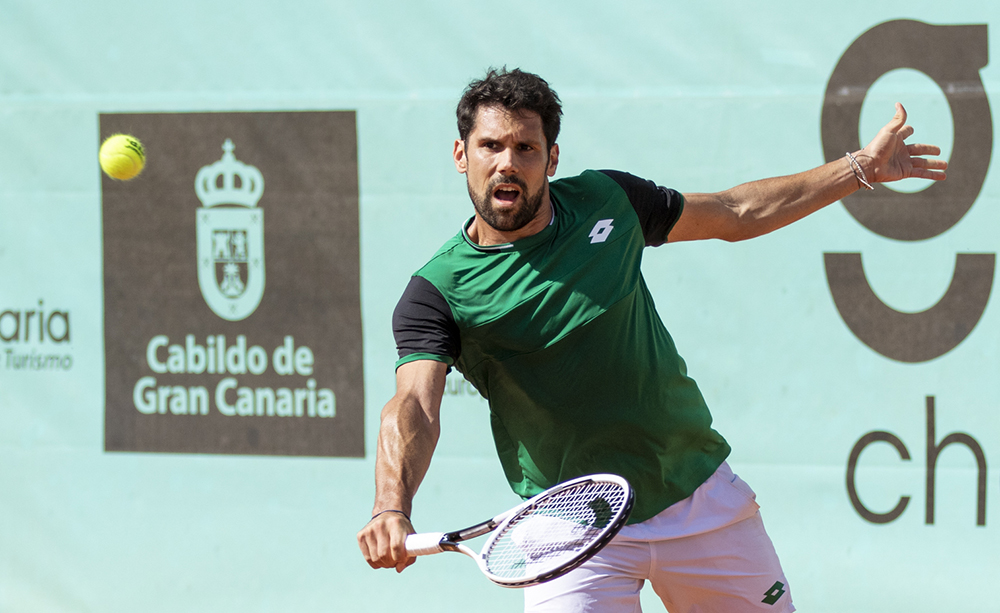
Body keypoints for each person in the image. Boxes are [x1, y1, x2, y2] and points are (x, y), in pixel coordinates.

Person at [357, 67, 947, 612]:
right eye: (490, 146)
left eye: (525, 148)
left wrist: (861, 168)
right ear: (462, 155)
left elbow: (735, 212)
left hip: (694, 493)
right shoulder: (435, 294)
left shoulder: (607, 201)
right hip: (569, 526)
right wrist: (391, 504)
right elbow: (413, 406)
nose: (506, 163)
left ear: (552, 158)